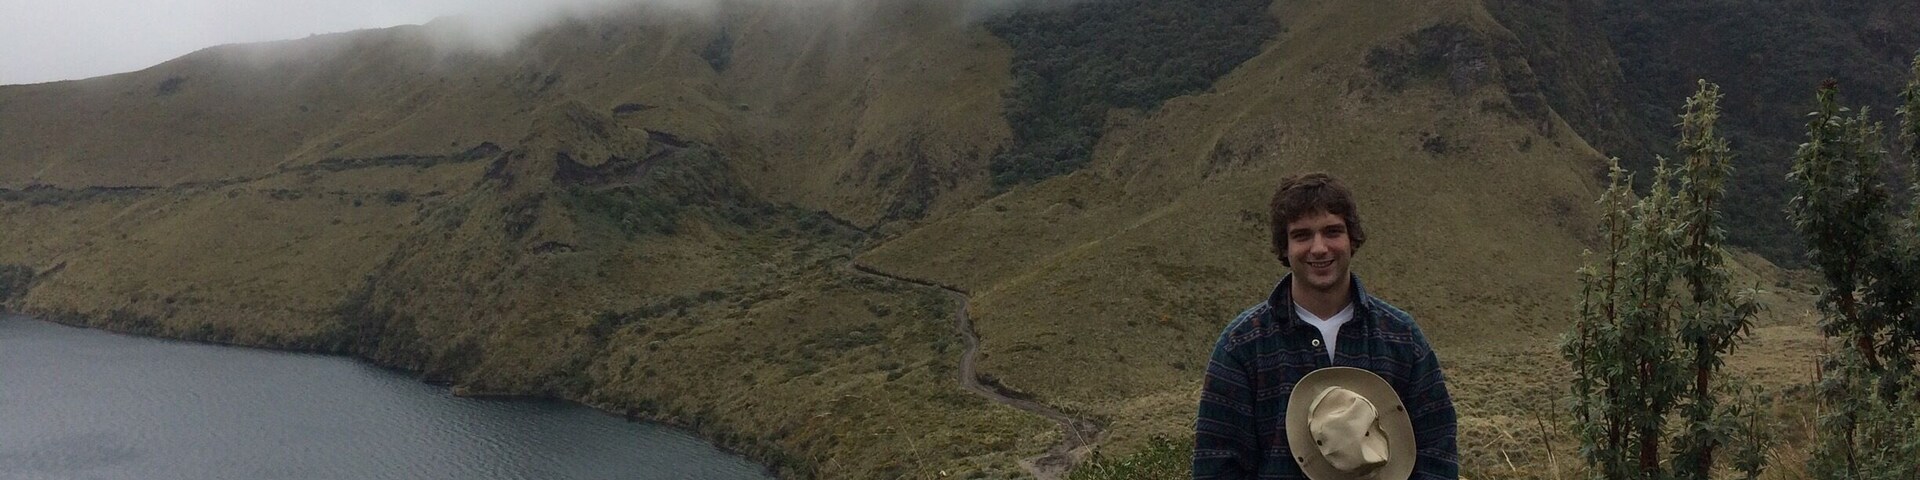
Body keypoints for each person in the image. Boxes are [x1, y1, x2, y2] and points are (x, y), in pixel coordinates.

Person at [1193, 172, 1458, 479]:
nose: (1319, 248)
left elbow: (1437, 453)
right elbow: (1217, 464)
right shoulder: (1242, 345)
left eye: (1332, 231)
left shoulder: (1400, 337)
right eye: (1302, 235)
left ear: (1351, 239)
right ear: (1285, 247)